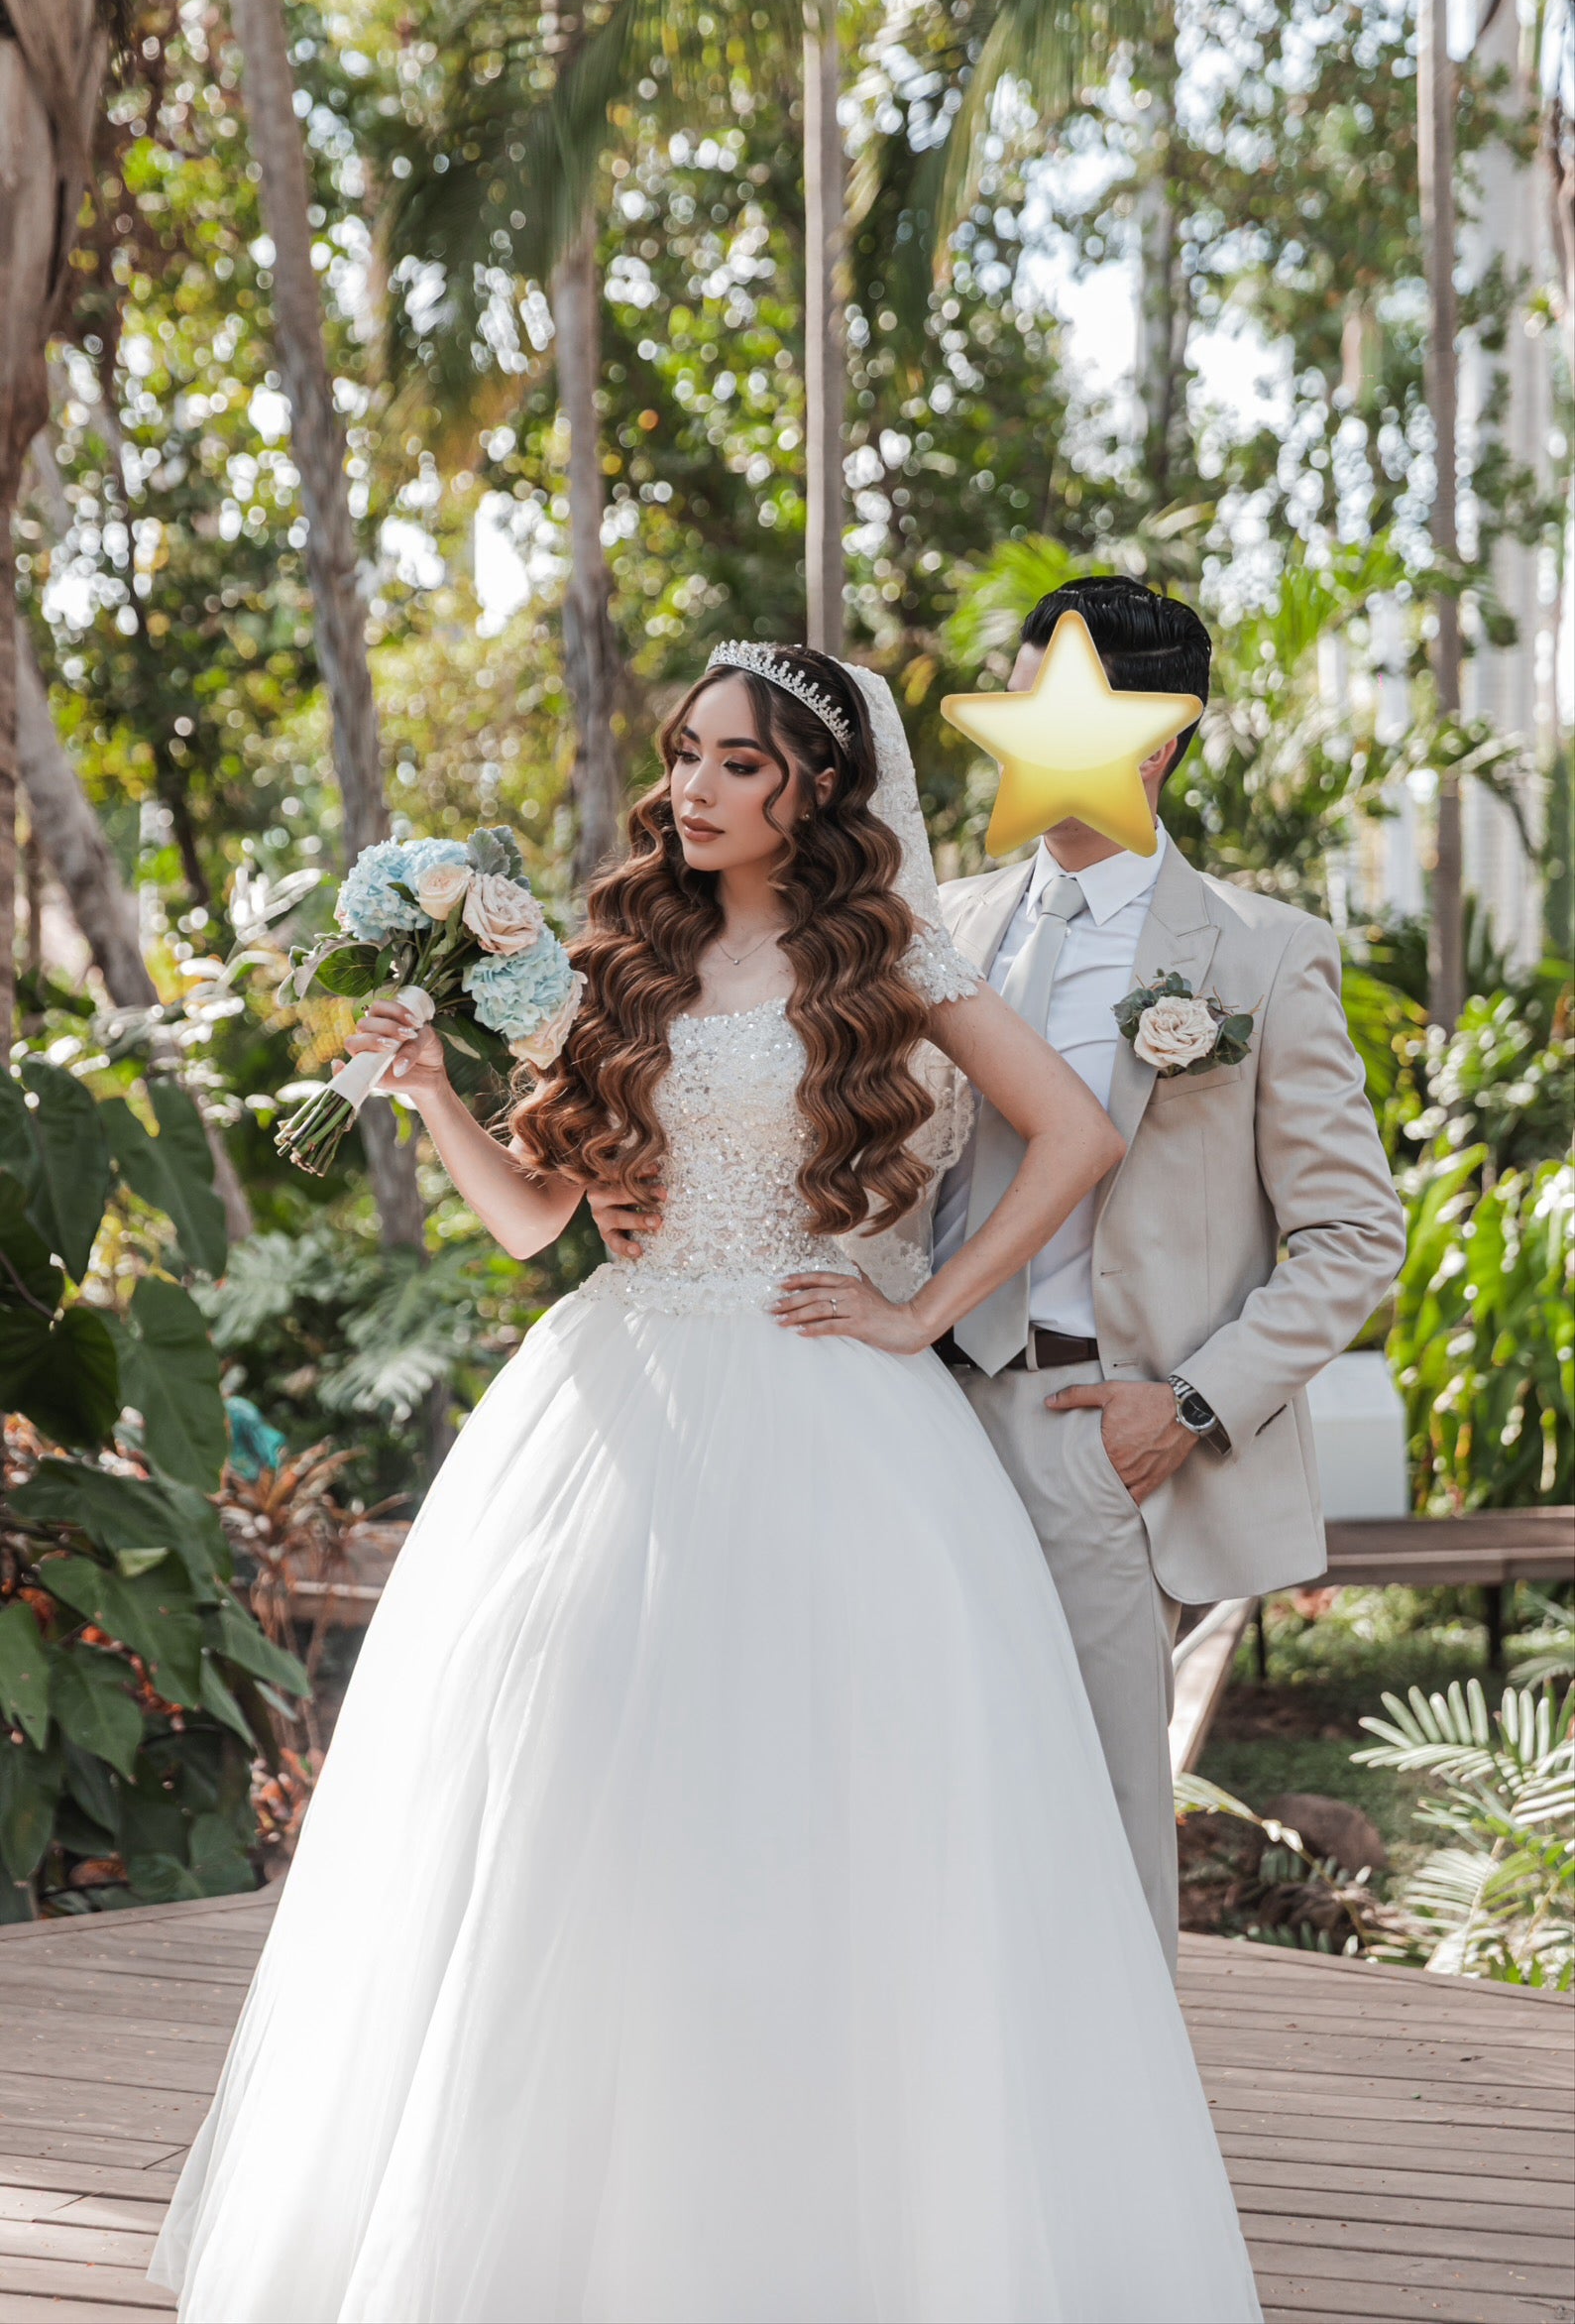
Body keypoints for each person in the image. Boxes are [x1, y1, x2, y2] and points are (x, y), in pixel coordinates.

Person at [152, 643, 1262, 2324]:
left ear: (811, 790)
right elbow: (538, 1220)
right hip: (615, 1403)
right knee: (575, 1795)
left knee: (832, 1815)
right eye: (682, 755)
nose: (690, 786)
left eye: (735, 764)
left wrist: (921, 1312)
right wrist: (437, 1092)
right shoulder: (631, 960)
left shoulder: (897, 961)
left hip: (832, 1408)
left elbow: (1078, 1139)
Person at [595, 583, 1406, 1974]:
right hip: (877, 1416)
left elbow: (1351, 1236)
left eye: (1044, 704)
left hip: (1089, 1433)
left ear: (1147, 742)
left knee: (1090, 1808)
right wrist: (645, 1191)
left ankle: (1114, 2157)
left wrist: (1192, 1406)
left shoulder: (1260, 958)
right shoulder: (911, 919)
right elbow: (792, 1115)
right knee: (880, 1793)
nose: (1004, 733)